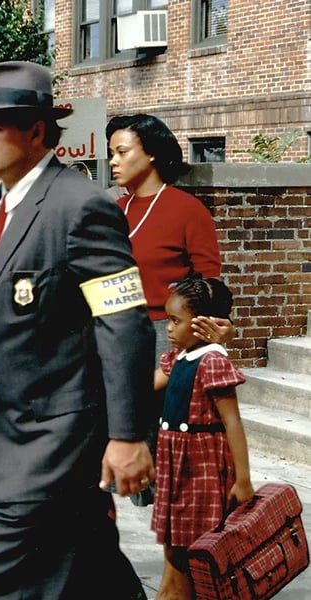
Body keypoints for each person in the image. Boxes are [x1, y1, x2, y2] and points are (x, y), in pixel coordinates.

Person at [0, 61, 156, 600]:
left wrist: (127, 436)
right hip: (8, 434)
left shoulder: (81, 208)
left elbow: (125, 326)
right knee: (95, 571)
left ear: (35, 131)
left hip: (53, 444)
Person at [106, 114, 231, 506]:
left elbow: (209, 286)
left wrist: (192, 345)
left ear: (153, 155)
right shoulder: (112, 209)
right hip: (114, 336)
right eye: (111, 153)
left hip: (167, 336)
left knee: (166, 458)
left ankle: (181, 554)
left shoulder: (186, 210)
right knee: (114, 465)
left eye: (122, 152)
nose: (113, 161)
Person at [151, 276, 252, 600]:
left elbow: (232, 423)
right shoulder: (178, 357)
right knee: (175, 541)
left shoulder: (212, 361)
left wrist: (243, 479)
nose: (168, 328)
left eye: (175, 321)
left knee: (195, 544)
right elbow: (146, 385)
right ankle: (173, 592)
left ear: (202, 323)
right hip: (175, 469)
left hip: (201, 469)